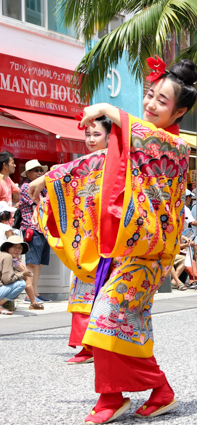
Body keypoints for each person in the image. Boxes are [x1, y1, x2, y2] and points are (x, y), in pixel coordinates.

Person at [31, 57, 197, 424]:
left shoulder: (174, 146)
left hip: (149, 254)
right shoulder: (134, 141)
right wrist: (49, 179)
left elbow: (146, 136)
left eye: (162, 102)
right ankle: (148, 392)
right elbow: (90, 166)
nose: (151, 104)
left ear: (180, 111)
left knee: (107, 317)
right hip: (124, 250)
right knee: (118, 323)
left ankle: (118, 396)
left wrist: (110, 109)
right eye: (150, 96)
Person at [65, 115, 113, 364]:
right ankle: (87, 344)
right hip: (85, 234)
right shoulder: (84, 163)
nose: (91, 139)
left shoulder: (115, 162)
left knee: (103, 289)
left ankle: (100, 343)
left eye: (97, 134)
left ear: (109, 135)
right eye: (88, 135)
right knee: (82, 285)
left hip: (107, 236)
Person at [18, 160, 51, 303]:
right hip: (32, 229)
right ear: (28, 173)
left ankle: (35, 293)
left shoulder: (43, 188)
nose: (39, 173)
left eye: (40, 170)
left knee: (38, 263)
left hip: (42, 229)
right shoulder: (26, 187)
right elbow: (42, 202)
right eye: (35, 170)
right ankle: (29, 294)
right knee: (32, 263)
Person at [0, 236, 32, 315]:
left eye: (20, 247)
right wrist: (22, 274)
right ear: (7, 247)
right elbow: (7, 280)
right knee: (21, 283)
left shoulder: (3, 255)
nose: (17, 249)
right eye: (14, 246)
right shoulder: (8, 257)